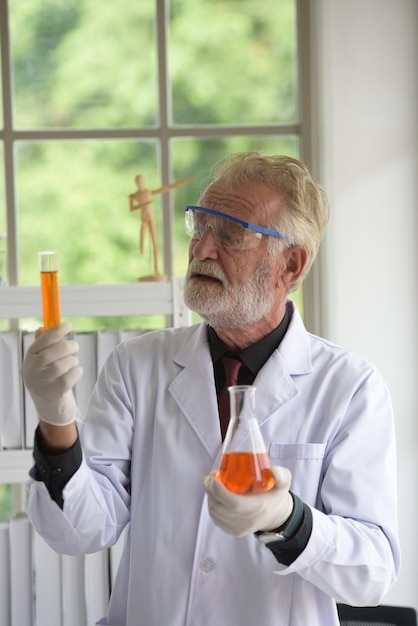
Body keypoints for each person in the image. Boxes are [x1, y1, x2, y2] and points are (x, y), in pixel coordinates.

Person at [22, 152, 400, 626]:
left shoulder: (349, 388)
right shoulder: (136, 367)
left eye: (231, 234)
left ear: (291, 264)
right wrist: (57, 421)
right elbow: (79, 533)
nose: (201, 249)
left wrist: (285, 518)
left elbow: (372, 574)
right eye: (199, 225)